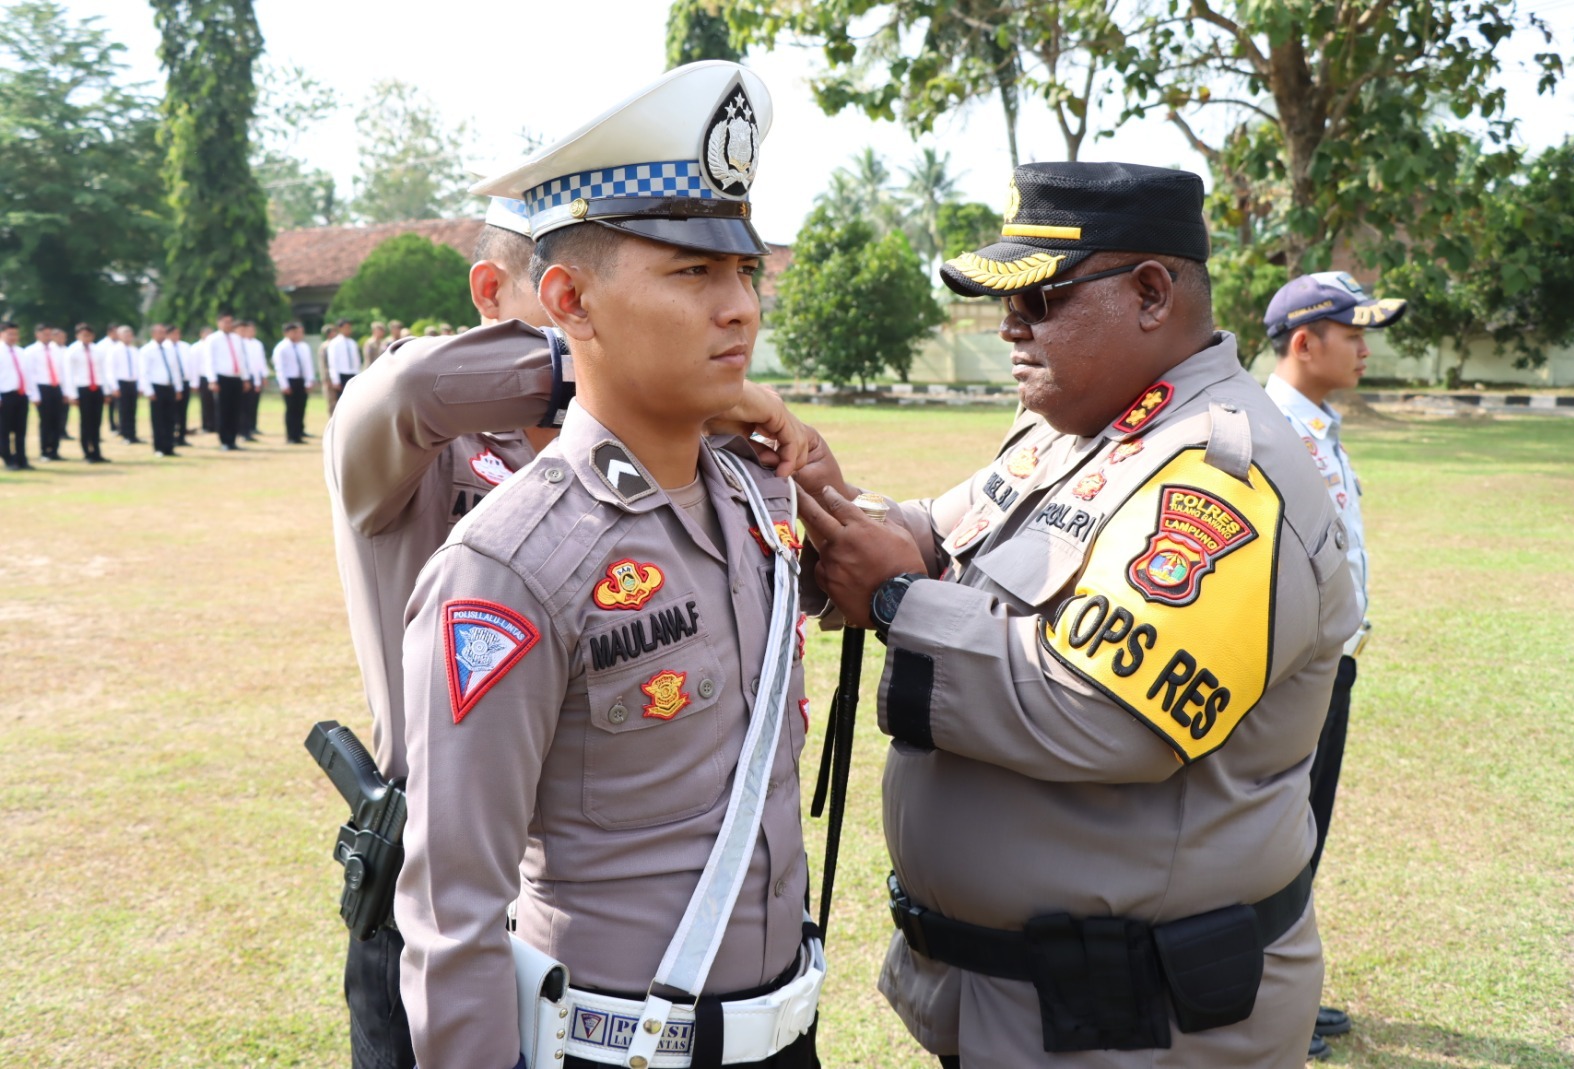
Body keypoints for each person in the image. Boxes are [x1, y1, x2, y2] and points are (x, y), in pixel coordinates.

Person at [794, 162, 1360, 1068]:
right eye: (1004, 300)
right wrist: (816, 497)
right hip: (1039, 1004)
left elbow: (1103, 712)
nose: (1010, 324)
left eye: (1042, 296)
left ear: (1149, 293)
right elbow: (937, 535)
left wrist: (896, 602)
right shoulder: (1075, 427)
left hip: (1140, 1022)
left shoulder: (1223, 470)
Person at [389, 61, 824, 1069]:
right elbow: (452, 915)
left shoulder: (759, 498)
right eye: (691, 273)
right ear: (568, 299)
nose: (741, 308)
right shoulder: (512, 563)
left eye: (744, 271)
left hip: (786, 1035)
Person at [1262, 271, 1404, 1059]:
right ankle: (1263, 995)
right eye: (1352, 332)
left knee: (1305, 827)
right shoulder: (1269, 428)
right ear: (1305, 341)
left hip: (1329, 664)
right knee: (1279, 830)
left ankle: (1285, 984)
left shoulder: (1314, 423)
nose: (1363, 346)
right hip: (1291, 672)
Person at [66, 323, 110, 463]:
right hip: (82, 388)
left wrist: (106, 391)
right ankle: (87, 452)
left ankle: (96, 451)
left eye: (89, 335)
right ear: (78, 336)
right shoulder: (72, 351)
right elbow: (69, 374)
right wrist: (72, 394)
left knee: (96, 421)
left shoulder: (97, 350)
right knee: (86, 422)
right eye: (84, 335)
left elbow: (103, 371)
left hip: (97, 387)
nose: (87, 338)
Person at [204, 313, 248, 451]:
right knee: (223, 410)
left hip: (236, 377)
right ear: (219, 323)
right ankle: (224, 440)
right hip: (221, 378)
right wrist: (212, 380)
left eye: (230, 322)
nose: (228, 324)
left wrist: (245, 378)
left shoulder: (237, 338)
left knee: (235, 410)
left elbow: (242, 359)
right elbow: (209, 360)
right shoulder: (212, 339)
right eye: (225, 322)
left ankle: (233, 439)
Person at [23, 324, 66, 461]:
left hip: (56, 387)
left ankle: (54, 450)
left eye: (49, 334)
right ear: (38, 334)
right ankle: (44, 451)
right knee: (45, 421)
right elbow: (29, 374)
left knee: (57, 420)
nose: (48, 337)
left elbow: (62, 371)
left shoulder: (56, 350)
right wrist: (34, 394)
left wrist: (65, 391)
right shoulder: (31, 351)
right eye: (45, 334)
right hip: (42, 388)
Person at [139, 323, 182, 457]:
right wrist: (149, 391)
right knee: (158, 419)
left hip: (169, 386)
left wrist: (178, 388)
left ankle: (169, 447)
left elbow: (175, 370)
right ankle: (159, 447)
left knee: (170, 419)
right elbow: (143, 372)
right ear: (153, 334)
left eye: (164, 332)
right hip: (156, 387)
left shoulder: (170, 349)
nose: (162, 335)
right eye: (159, 332)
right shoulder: (147, 350)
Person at [1, 321, 37, 470]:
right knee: (4, 430)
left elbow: (28, 374)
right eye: (10, 334)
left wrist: (32, 394)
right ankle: (8, 460)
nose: (13, 337)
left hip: (21, 394)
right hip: (5, 395)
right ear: (2, 334)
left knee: (20, 430)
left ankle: (21, 459)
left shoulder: (21, 352)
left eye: (15, 334)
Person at [273, 321, 316, 444]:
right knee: (291, 409)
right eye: (295, 332)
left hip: (301, 380)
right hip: (290, 380)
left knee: (301, 408)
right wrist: (284, 385)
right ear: (287, 333)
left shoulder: (303, 347)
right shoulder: (281, 348)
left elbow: (308, 365)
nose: (298, 334)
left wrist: (309, 381)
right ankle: (291, 436)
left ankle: (299, 433)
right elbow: (279, 368)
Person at [239, 320, 268, 441]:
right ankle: (243, 429)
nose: (251, 332)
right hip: (245, 377)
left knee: (254, 403)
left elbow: (261, 361)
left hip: (256, 376)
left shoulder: (257, 344)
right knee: (244, 405)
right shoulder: (240, 343)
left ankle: (252, 426)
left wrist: (263, 376)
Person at [172, 324, 200, 447]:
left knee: (183, 411)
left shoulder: (185, 347)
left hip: (185, 381)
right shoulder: (165, 348)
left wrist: (194, 382)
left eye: (178, 333)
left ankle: (181, 436)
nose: (176, 336)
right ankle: (171, 435)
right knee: (172, 411)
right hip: (171, 384)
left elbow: (192, 366)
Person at [196, 323, 216, 434]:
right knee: (205, 402)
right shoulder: (197, 347)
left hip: (213, 377)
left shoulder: (215, 345)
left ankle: (215, 424)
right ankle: (206, 425)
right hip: (203, 377)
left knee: (215, 402)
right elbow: (195, 365)